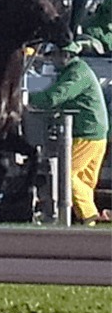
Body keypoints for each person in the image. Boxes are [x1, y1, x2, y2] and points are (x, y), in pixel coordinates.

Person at [28, 41, 110, 224]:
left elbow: (54, 97)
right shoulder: (79, 70)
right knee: (84, 181)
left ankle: (89, 215)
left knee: (67, 175)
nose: (52, 60)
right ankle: (91, 221)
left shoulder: (76, 73)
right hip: (96, 133)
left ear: (65, 55)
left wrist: (24, 96)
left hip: (85, 133)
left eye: (54, 56)